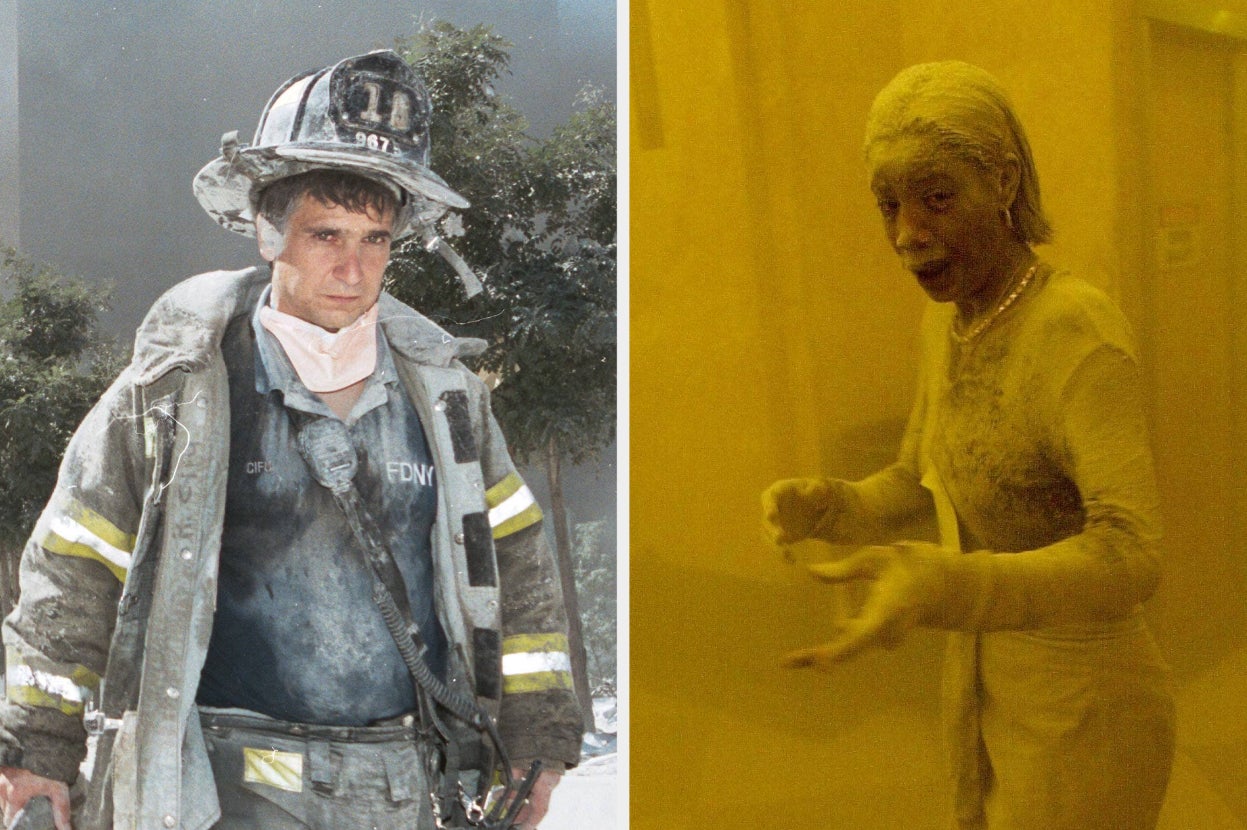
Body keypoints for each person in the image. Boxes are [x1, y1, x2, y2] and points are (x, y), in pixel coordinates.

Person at [0, 50, 581, 830]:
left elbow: (517, 566)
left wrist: (535, 739)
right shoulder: (178, 389)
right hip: (226, 787)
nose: (352, 266)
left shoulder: (447, 401)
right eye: (326, 235)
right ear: (270, 234)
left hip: (405, 784)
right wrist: (38, 747)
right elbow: (74, 567)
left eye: (375, 239)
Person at [761, 61, 1175, 830]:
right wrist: (831, 504)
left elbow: (1133, 552)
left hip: (1088, 702)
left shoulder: (1075, 331)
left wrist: (949, 587)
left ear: (1005, 180)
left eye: (937, 197)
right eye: (887, 205)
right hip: (988, 682)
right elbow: (920, 483)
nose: (906, 233)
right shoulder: (947, 325)